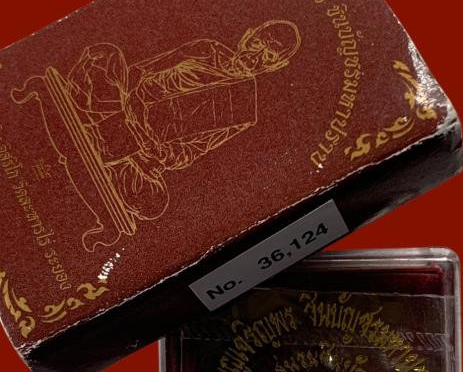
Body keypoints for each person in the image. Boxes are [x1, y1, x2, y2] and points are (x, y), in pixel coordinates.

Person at [65, 20, 301, 221]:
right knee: (104, 55)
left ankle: (98, 139)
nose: (254, 57)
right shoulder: (207, 49)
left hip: (144, 143)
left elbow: (191, 151)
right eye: (257, 44)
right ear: (247, 36)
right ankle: (103, 144)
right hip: (123, 106)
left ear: (276, 66)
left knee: (153, 202)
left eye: (269, 56)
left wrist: (159, 153)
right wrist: (128, 99)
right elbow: (141, 71)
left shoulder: (243, 109)